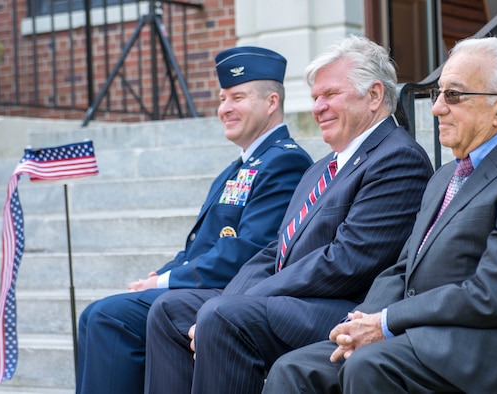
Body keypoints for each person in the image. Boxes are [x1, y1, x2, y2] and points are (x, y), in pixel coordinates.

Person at [263, 36, 497, 394]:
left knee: (369, 365)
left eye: (454, 95)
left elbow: (492, 295)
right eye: (438, 93)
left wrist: (386, 322)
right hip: (421, 337)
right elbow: (402, 269)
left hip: (493, 351)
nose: (437, 108)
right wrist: (363, 321)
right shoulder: (448, 174)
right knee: (294, 368)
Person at [143, 35, 434, 394]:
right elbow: (276, 249)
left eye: (330, 95)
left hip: (343, 309)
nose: (318, 108)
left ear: (374, 96)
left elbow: (346, 261)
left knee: (222, 317)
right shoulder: (323, 167)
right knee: (170, 310)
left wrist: (243, 301)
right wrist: (231, 296)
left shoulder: (397, 158)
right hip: (292, 300)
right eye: (315, 98)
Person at [75, 46, 314, 394]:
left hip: (229, 292)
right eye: (221, 99)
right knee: (98, 314)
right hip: (200, 286)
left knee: (107, 317)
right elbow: (201, 247)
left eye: (238, 97)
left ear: (272, 102)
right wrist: (161, 274)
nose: (225, 109)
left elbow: (249, 251)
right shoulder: (237, 168)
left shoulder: (284, 163)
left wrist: (165, 282)